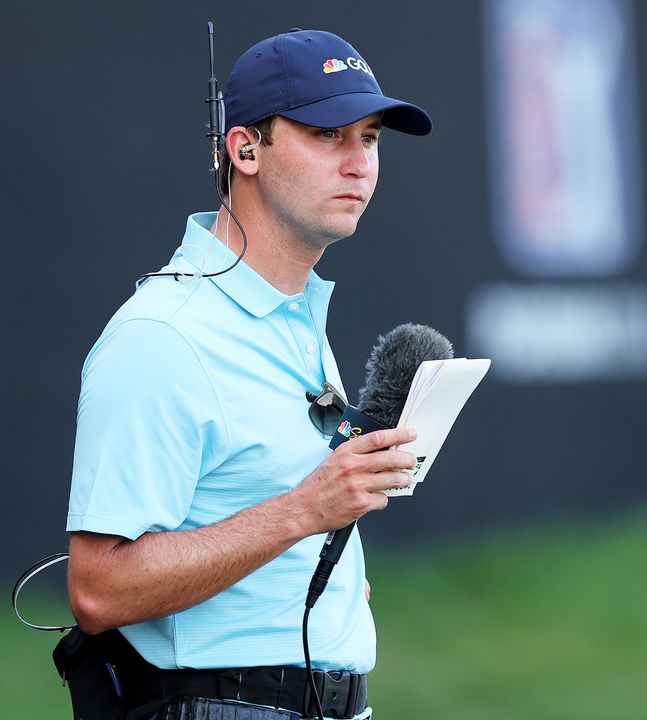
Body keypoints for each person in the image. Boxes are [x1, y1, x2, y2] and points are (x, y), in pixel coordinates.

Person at [64, 28, 432, 720]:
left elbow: (248, 518)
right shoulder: (163, 336)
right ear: (245, 149)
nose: (359, 164)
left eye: (372, 138)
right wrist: (304, 511)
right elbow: (97, 590)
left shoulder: (292, 318)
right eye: (329, 135)